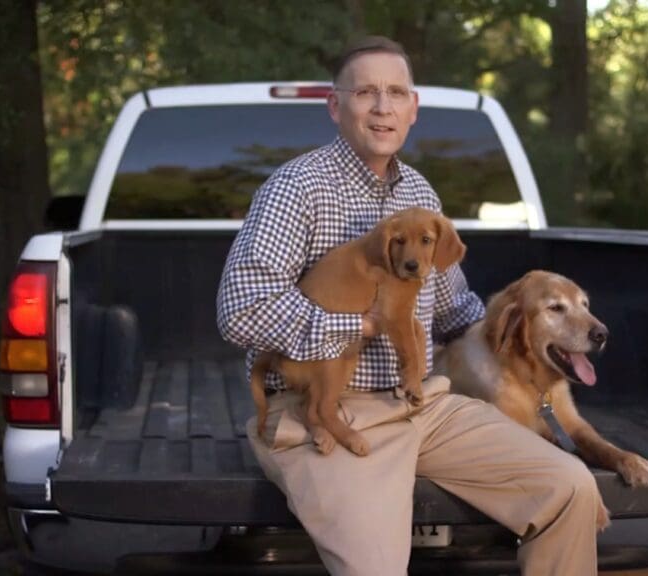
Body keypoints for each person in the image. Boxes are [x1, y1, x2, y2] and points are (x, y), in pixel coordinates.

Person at [216, 35, 601, 576]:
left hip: (424, 405)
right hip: (326, 411)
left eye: (396, 92)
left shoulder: (419, 192)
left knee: (569, 487)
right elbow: (241, 308)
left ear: (413, 109)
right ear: (336, 106)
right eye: (365, 92)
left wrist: (529, 337)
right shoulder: (295, 189)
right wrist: (358, 325)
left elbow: (453, 308)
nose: (382, 106)